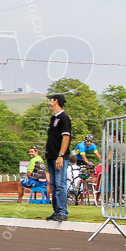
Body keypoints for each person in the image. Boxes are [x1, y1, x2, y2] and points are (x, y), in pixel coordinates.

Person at [44, 93, 72, 222]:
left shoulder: (64, 118)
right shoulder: (53, 118)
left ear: (56, 101)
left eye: (51, 100)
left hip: (59, 157)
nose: (49, 102)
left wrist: (61, 155)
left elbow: (66, 137)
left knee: (60, 184)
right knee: (54, 185)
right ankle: (56, 211)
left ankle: (62, 211)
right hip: (51, 156)